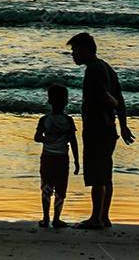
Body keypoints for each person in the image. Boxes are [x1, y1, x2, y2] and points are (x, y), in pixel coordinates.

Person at [67, 31, 135, 230]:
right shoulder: (107, 67)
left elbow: (108, 97)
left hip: (97, 128)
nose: (74, 54)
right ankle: (104, 216)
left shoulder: (94, 70)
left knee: (97, 175)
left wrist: (112, 105)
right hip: (108, 129)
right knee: (105, 174)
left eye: (76, 50)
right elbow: (120, 98)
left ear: (87, 49)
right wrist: (123, 125)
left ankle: (96, 218)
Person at [34, 83, 79, 228]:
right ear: (66, 102)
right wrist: (77, 161)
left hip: (47, 157)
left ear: (49, 102)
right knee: (60, 189)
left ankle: (45, 217)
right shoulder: (68, 120)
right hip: (62, 158)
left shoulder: (44, 119)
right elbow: (73, 141)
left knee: (46, 187)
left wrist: (47, 138)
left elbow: (36, 137)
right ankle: (57, 218)